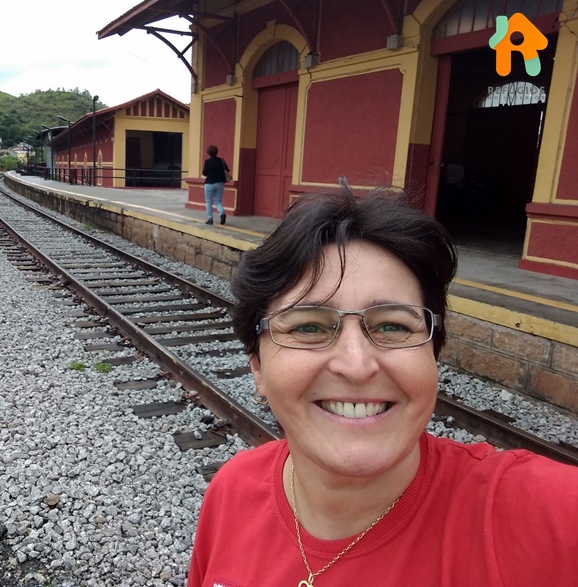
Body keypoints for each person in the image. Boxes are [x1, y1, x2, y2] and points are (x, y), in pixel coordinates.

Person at [187, 186, 578, 586]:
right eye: (308, 327)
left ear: (432, 355)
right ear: (257, 366)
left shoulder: (542, 515)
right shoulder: (231, 492)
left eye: (392, 326)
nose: (356, 366)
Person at [202, 144, 229, 225]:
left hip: (209, 183)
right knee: (218, 200)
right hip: (220, 183)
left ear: (208, 153)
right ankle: (222, 213)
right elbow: (227, 170)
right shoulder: (221, 161)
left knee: (209, 202)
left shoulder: (207, 162)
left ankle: (210, 219)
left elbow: (205, 173)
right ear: (217, 152)